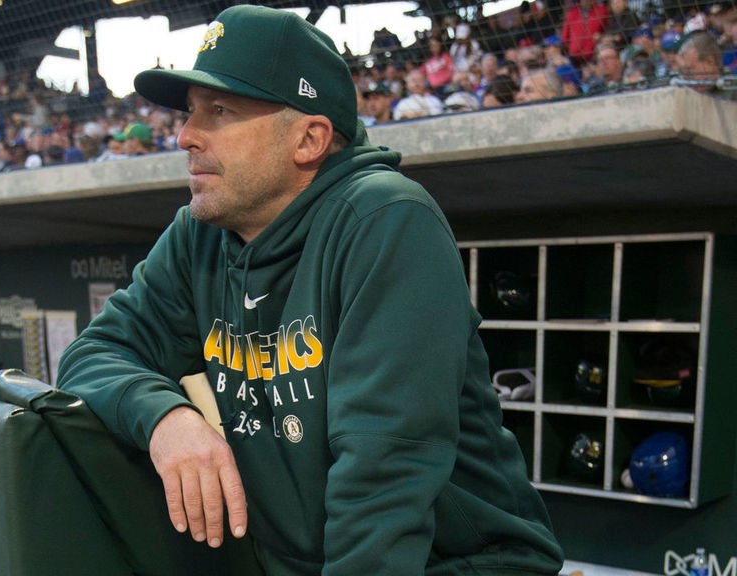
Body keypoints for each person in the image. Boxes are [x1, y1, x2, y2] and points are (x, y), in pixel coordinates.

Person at [57, 6, 564, 576]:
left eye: (219, 111)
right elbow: (92, 355)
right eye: (191, 111)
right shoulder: (200, 234)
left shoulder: (386, 219)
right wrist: (165, 417)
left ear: (309, 139)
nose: (185, 136)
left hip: (454, 562)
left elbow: (382, 480)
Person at [560, 0, 609, 66]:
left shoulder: (602, 11)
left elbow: (605, 30)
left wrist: (599, 38)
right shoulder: (572, 13)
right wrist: (572, 46)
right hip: (574, 56)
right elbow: (565, 37)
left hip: (593, 55)